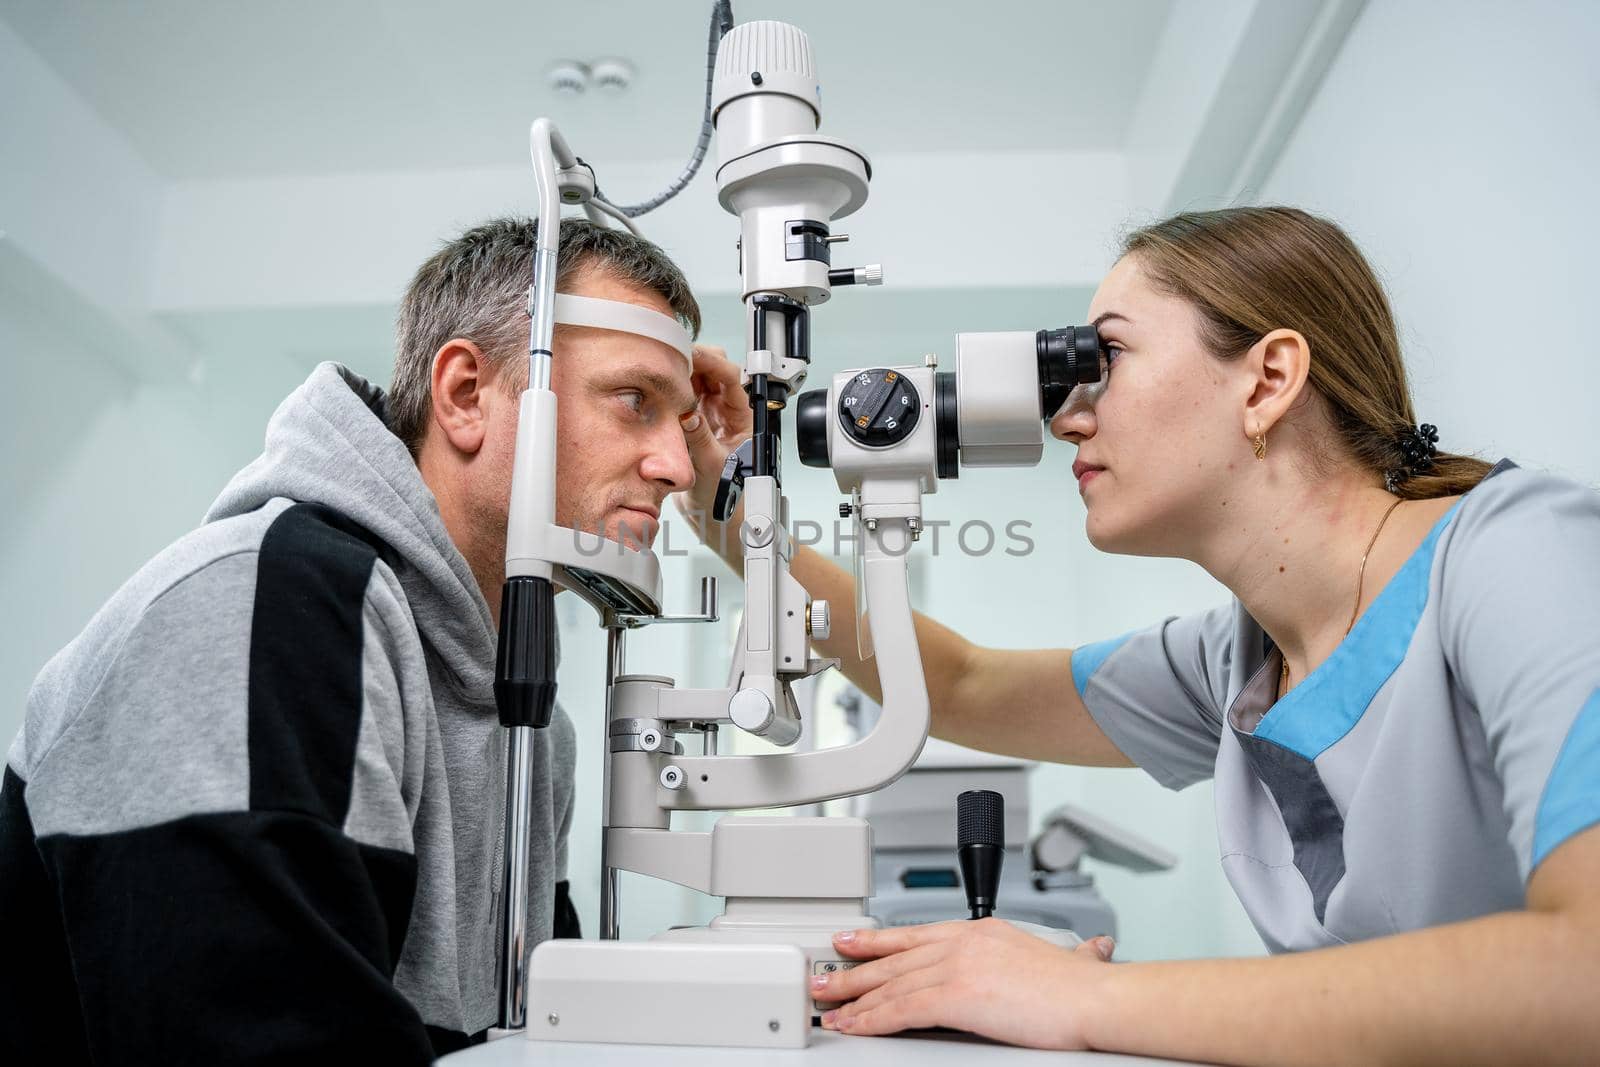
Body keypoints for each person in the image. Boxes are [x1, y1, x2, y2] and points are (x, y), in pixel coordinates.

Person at [676, 207, 1600, 1063]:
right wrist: (714, 493)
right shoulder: (1236, 662)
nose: (1067, 413)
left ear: (1269, 379)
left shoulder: (1523, 558)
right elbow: (959, 684)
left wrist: (1076, 997)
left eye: (1104, 357)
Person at [0, 217, 702, 1062]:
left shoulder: (536, 728)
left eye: (683, 420)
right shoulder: (258, 609)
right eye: (636, 400)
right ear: (467, 395)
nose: (680, 465)